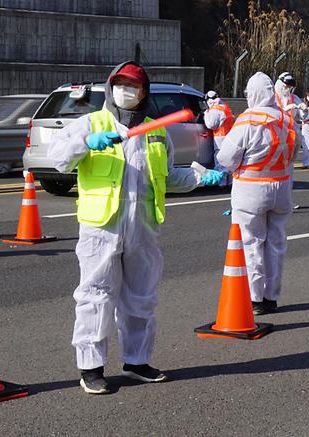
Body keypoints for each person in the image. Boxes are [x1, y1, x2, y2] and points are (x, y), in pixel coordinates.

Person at [48, 61, 223, 395]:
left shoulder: (156, 132)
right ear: (111, 87)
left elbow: (169, 177)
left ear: (143, 93)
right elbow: (59, 159)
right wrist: (86, 142)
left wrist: (201, 176)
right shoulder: (90, 123)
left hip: (142, 226)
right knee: (95, 296)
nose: (126, 91)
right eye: (121, 84)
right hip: (102, 227)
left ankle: (137, 361)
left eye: (133, 86)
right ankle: (91, 368)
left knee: (141, 296)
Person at [217, 72, 296, 315]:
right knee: (276, 244)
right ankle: (272, 297)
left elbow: (226, 157)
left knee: (251, 243)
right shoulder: (286, 119)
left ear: (252, 94)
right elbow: (295, 151)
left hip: (250, 190)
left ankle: (255, 298)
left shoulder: (248, 119)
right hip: (281, 188)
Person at [274, 72, 309, 209]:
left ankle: (287, 201)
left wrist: (304, 110)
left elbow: (303, 117)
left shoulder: (294, 98)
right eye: (286, 86)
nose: (287, 89)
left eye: (290, 87)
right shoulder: (272, 97)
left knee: (289, 169)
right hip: (275, 135)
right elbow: (272, 114)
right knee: (274, 169)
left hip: (290, 136)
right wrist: (286, 109)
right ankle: (273, 201)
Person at [204, 90, 235, 186]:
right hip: (229, 136)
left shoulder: (215, 109)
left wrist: (206, 114)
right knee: (228, 159)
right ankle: (230, 182)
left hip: (220, 138)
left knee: (220, 160)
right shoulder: (224, 107)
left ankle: (221, 183)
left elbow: (211, 125)